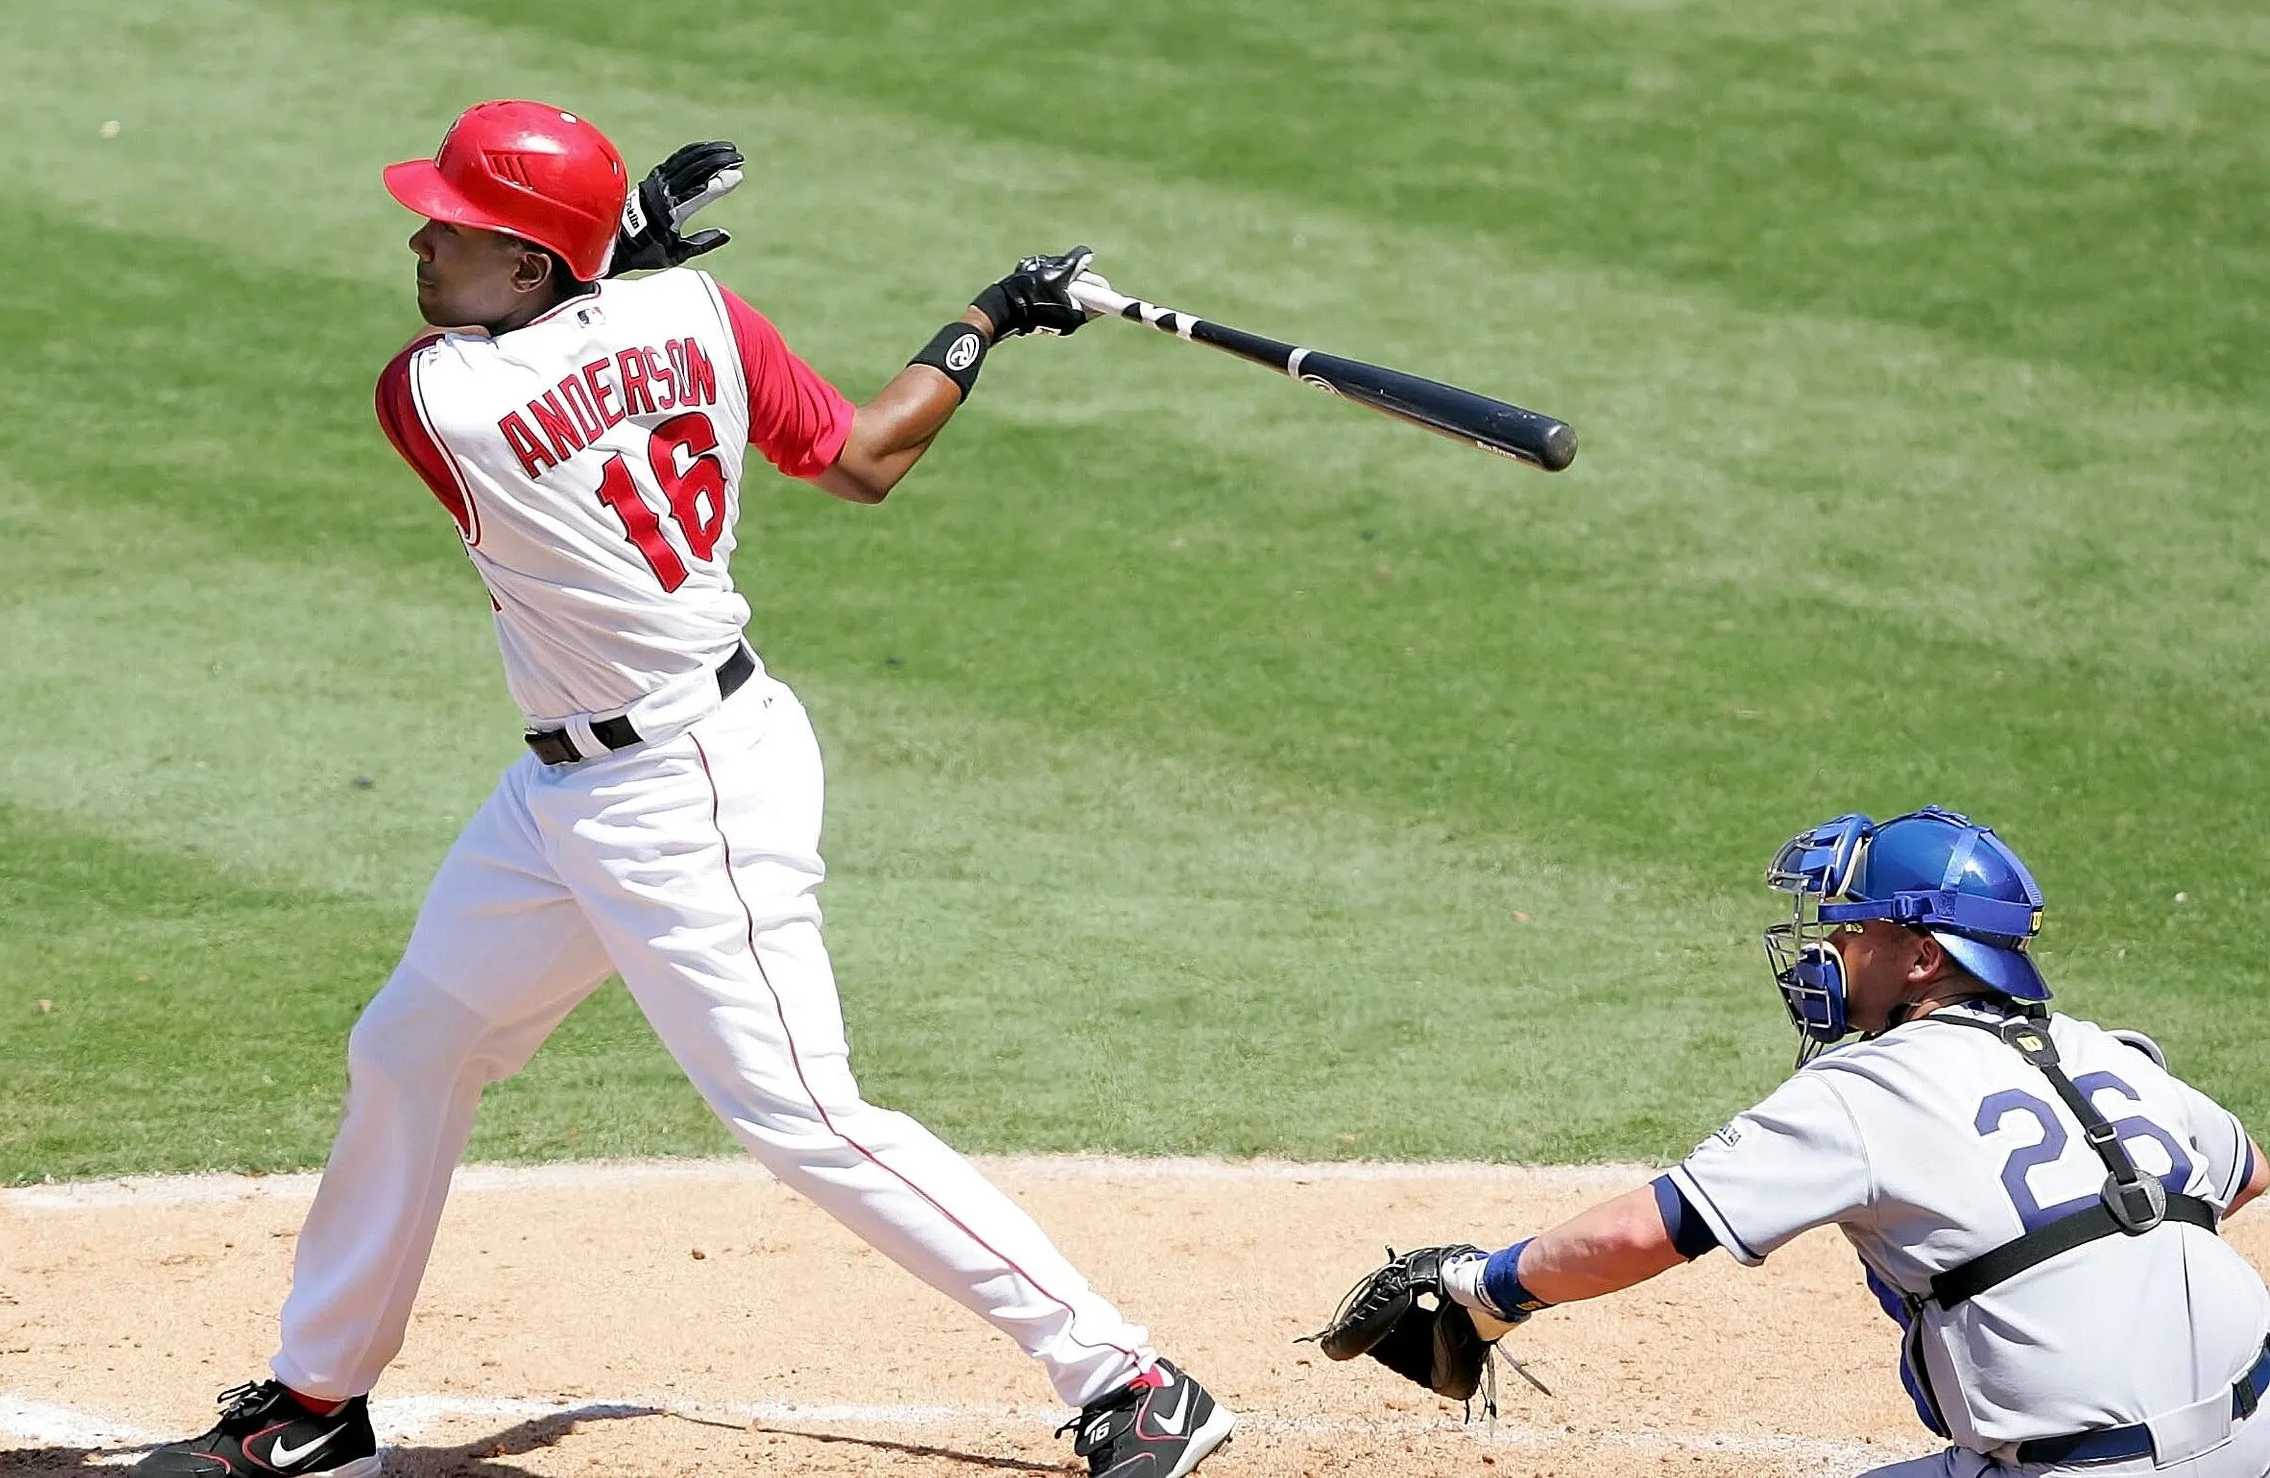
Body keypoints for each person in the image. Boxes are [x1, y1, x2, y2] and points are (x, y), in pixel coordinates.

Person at [136, 99, 1236, 1478]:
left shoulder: (437, 397)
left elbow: (550, 353)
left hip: (685, 797)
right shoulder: (704, 317)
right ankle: (318, 1404)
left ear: (531, 269)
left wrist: (614, 254)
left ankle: (1128, 1374)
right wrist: (991, 314)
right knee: (413, 1043)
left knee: (806, 1115)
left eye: (455, 228)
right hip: (564, 799)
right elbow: (862, 458)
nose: (420, 240)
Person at [1319, 805, 2270, 1477]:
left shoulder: (1865, 1089)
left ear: (1922, 956)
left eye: (1849, 931)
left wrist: (1488, 1288)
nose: (1826, 950)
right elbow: (2245, 1171)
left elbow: (1644, 1235)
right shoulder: (2109, 1052)